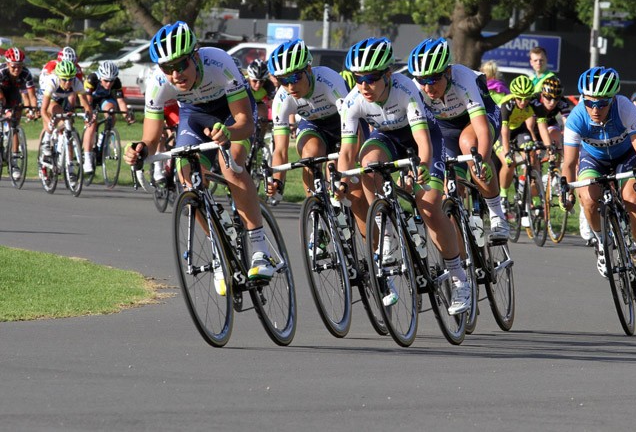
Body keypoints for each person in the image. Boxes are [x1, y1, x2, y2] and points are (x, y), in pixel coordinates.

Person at [123, 21, 275, 291]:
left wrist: (228, 133)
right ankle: (218, 248)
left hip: (231, 113)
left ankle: (260, 248)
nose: (175, 74)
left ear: (195, 56)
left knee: (232, 166)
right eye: (167, 68)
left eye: (181, 65)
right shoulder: (159, 82)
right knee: (188, 180)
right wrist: (139, 150)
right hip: (194, 117)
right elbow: (151, 137)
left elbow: (246, 123)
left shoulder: (219, 63)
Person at [336, 37, 471, 315]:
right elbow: (347, 150)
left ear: (387, 74)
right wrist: (340, 179)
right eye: (358, 78)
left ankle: (459, 278)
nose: (364, 85)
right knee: (368, 163)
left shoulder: (405, 89)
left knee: (429, 208)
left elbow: (422, 140)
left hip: (422, 137)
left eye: (371, 78)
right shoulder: (353, 101)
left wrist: (420, 166)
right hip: (386, 137)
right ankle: (385, 226)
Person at [561, 66, 636, 297]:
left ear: (612, 99)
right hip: (593, 160)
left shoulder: (625, 107)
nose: (595, 109)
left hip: (625, 157)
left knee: (632, 199)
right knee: (587, 198)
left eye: (601, 103)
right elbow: (569, 163)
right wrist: (566, 190)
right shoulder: (577, 117)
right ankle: (601, 243)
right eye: (590, 103)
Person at [409, 37, 509, 242]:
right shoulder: (416, 89)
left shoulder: (463, 78)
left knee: (471, 148)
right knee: (450, 189)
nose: (428, 87)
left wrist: (482, 158)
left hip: (480, 119)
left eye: (433, 79)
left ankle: (497, 215)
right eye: (422, 80)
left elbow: (481, 129)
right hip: (446, 129)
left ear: (448, 72)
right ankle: (465, 255)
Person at [265, 39, 349, 197]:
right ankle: (315, 209)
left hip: (342, 124)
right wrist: (277, 180)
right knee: (310, 156)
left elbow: (353, 124)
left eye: (295, 78)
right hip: (313, 126)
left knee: (349, 187)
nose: (291, 86)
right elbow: (281, 150)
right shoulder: (282, 98)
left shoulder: (329, 81)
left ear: (308, 69)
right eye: (283, 80)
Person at [496, 75, 541, 216]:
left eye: (526, 98)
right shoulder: (507, 103)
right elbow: (504, 130)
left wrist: (546, 145)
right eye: (519, 98)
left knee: (532, 158)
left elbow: (543, 123)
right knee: (509, 162)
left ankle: (534, 196)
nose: (523, 102)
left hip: (519, 131)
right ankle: (503, 196)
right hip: (500, 131)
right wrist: (507, 151)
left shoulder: (533, 102)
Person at [81, 61, 135, 173]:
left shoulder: (116, 82)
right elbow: (87, 101)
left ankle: (104, 136)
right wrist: (90, 114)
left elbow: (120, 101)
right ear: (101, 77)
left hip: (105, 99)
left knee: (112, 112)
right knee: (92, 124)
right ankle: (87, 158)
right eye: (106, 81)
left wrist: (126, 115)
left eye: (111, 81)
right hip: (91, 100)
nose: (109, 84)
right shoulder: (92, 79)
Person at [39, 60, 94, 157]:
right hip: (48, 97)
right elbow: (43, 110)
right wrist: (49, 122)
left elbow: (86, 105)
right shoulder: (52, 81)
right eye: (64, 79)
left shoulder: (76, 83)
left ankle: (66, 159)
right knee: (56, 114)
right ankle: (46, 140)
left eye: (70, 79)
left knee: (68, 124)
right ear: (59, 77)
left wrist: (88, 116)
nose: (68, 82)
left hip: (63, 97)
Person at [0, 48, 37, 180]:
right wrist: (4, 110)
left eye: (20, 66)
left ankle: (14, 162)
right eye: (14, 66)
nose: (17, 70)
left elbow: (31, 96)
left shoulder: (26, 74)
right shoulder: (1, 71)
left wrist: (33, 110)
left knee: (14, 125)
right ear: (7, 64)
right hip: (1, 93)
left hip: (14, 94)